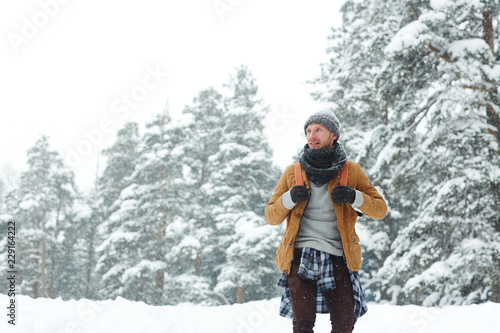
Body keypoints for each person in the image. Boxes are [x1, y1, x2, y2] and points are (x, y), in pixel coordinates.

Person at [265, 109, 387, 333]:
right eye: (309, 131)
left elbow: (380, 209)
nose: (312, 135)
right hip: (300, 255)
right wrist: (290, 198)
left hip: (338, 256)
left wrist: (354, 197)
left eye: (318, 130)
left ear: (333, 135)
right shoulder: (293, 172)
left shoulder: (352, 171)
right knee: (302, 325)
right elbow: (271, 215)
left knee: (343, 325)